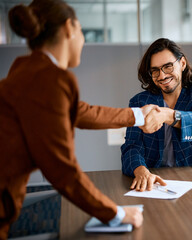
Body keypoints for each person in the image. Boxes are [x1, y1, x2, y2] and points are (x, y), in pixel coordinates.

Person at [0, 0, 161, 238]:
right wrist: (115, 214)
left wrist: (138, 115)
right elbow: (63, 170)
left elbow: (79, 111)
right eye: (81, 31)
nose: (83, 40)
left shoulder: (26, 69)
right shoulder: (52, 79)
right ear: (69, 28)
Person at [121, 38, 192, 192]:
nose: (162, 76)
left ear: (182, 64)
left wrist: (167, 115)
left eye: (167, 67)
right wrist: (140, 169)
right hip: (157, 182)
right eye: (155, 70)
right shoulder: (140, 101)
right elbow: (131, 146)